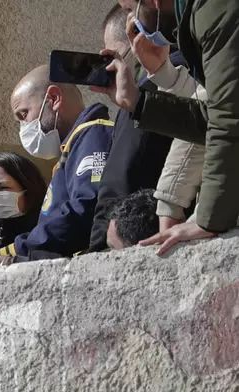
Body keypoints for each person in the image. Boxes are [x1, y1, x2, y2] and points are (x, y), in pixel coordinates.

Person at [0, 65, 114, 286]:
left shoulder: (94, 135)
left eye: (23, 114)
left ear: (53, 99)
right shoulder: (74, 148)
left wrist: (9, 253)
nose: (23, 127)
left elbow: (84, 210)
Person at [93, 0, 239, 253]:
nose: (131, 20)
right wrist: (153, 86)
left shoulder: (213, 8)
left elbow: (227, 120)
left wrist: (207, 219)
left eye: (129, 9)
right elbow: (215, 112)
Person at [89, 3, 183, 252]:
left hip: (139, 239)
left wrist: (99, 246)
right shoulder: (144, 95)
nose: (109, 68)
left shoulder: (148, 94)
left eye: (112, 57)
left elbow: (123, 176)